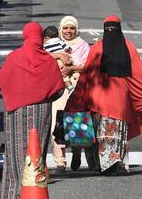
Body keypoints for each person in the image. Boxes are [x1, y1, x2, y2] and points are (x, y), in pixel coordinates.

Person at [65, 15, 142, 176]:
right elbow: (138, 76)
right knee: (119, 131)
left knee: (103, 132)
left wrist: (79, 95)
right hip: (120, 98)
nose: (110, 31)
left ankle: (105, 164)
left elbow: (87, 75)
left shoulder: (97, 48)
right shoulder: (128, 47)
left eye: (112, 28)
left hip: (99, 98)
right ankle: (118, 163)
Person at [0, 22, 65, 199]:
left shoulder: (13, 57)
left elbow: (1, 81)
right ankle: (33, 193)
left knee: (14, 154)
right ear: (41, 38)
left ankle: (12, 194)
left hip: (15, 112)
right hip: (41, 112)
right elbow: (59, 89)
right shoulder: (48, 60)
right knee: (36, 154)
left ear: (25, 36)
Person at [50, 15, 93, 173]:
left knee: (77, 121)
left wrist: (71, 69)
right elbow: (44, 56)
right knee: (57, 123)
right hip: (58, 89)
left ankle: (76, 152)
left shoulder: (83, 45)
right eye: (66, 28)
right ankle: (60, 161)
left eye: (72, 28)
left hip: (78, 87)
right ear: (61, 29)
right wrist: (59, 55)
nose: (69, 31)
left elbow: (89, 65)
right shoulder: (54, 45)